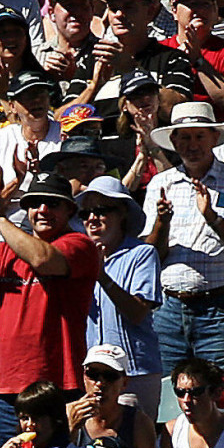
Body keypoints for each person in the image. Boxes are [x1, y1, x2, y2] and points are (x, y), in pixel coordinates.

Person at [0, 172, 102, 438]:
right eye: (35, 203)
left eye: (52, 203)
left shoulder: (80, 244)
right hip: (10, 387)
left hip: (58, 385)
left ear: (69, 210)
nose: (42, 210)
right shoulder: (5, 251)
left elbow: (42, 259)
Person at [144, 100, 224, 370]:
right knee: (170, 393)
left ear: (214, 138)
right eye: (184, 137)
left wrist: (213, 218)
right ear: (174, 140)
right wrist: (162, 223)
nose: (192, 145)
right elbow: (151, 254)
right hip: (170, 308)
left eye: (199, 136)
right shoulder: (162, 183)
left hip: (219, 308)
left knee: (222, 393)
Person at [79, 175, 162, 417]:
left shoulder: (142, 254)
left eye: (102, 210)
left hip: (134, 373)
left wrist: (101, 276)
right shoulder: (77, 258)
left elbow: (137, 312)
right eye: (86, 213)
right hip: (92, 376)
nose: (92, 218)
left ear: (122, 213)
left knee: (136, 447)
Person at [70, 344, 157, 448]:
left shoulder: (138, 424)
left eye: (109, 376)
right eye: (93, 374)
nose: (100, 383)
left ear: (124, 383)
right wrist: (70, 430)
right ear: (84, 377)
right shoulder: (68, 415)